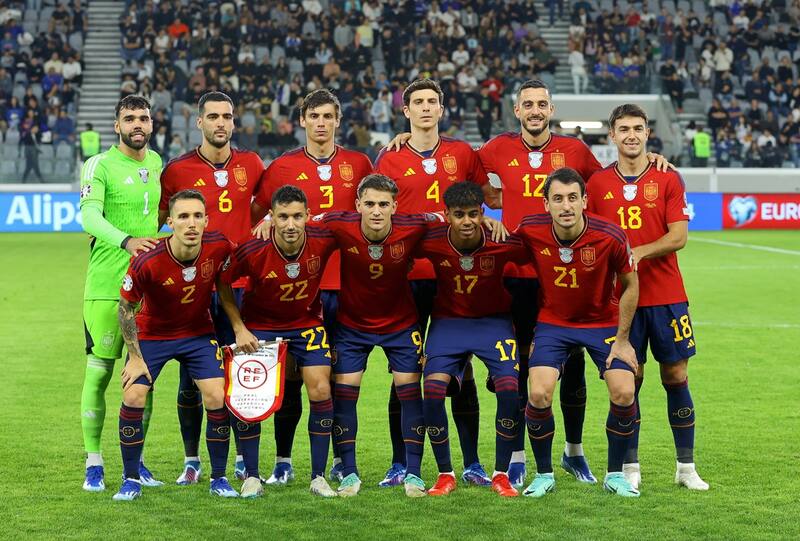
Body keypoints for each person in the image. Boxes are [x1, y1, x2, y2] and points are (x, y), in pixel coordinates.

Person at [375, 78, 494, 488]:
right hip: (405, 279)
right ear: (405, 111)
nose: (425, 108)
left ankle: (473, 462)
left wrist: (492, 218)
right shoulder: (388, 157)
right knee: (405, 374)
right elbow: (374, 210)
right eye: (417, 103)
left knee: (461, 371)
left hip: (453, 278)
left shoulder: (462, 153)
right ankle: (399, 463)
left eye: (432, 102)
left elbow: (488, 199)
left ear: (441, 109)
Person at [251, 89, 373, 485]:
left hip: (348, 286)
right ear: (301, 120)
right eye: (313, 116)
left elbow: (376, 209)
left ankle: (339, 460)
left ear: (339, 120)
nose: (321, 123)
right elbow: (260, 215)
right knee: (288, 379)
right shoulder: (282, 167)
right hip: (301, 289)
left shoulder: (360, 163)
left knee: (336, 379)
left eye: (328, 116)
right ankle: (283, 460)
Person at [586, 104, 708, 491]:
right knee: (628, 381)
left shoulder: (668, 177)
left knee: (676, 375)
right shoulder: (596, 184)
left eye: (638, 128)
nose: (632, 135)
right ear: (612, 136)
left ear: (647, 133)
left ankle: (686, 468)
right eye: (624, 129)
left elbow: (679, 237)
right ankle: (631, 465)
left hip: (667, 295)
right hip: (619, 301)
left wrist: (636, 252)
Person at [113, 190, 256, 500]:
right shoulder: (147, 260)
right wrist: (135, 358)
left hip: (197, 333)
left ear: (206, 220)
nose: (191, 224)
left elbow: (228, 281)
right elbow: (124, 309)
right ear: (170, 222)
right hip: (153, 335)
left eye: (196, 216)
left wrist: (238, 326)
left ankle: (219, 478)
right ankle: (131, 478)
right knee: (134, 393)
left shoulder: (218, 247)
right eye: (183, 217)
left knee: (217, 394)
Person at [159, 91, 266, 485]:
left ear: (233, 123)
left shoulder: (252, 164)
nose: (220, 123)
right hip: (196, 287)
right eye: (213, 116)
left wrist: (261, 223)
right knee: (192, 377)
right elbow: (160, 221)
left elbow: (262, 207)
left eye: (227, 116)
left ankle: (241, 457)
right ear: (199, 122)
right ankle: (192, 459)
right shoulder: (176, 170)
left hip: (240, 286)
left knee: (240, 374)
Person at [515, 167, 640, 498]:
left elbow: (630, 284)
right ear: (546, 204)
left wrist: (624, 339)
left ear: (585, 201)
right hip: (554, 323)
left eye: (573, 198)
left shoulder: (610, 235)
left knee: (624, 391)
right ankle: (544, 474)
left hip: (602, 323)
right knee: (539, 393)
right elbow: (500, 253)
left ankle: (614, 475)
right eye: (557, 199)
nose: (566, 206)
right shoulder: (530, 230)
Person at [219, 185, 339, 498]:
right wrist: (238, 327)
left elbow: (355, 219)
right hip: (259, 328)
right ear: (271, 217)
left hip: (307, 325)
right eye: (283, 216)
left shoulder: (323, 238)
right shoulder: (252, 248)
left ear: (308, 216)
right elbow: (222, 282)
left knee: (321, 389)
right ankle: (252, 476)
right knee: (251, 396)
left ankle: (318, 477)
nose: (290, 224)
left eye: (297, 216)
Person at [416, 182, 527, 498]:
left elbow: (539, 259)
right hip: (448, 325)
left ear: (484, 213)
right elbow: (397, 235)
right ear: (447, 214)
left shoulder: (502, 241)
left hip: (493, 325)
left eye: (474, 214)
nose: (466, 221)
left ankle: (501, 475)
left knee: (509, 389)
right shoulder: (432, 240)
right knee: (434, 392)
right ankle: (444, 474)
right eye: (459, 214)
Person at [78, 95, 163, 492]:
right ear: (117, 126)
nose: (137, 124)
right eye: (129, 118)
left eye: (143, 118)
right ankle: (94, 461)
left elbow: (159, 219)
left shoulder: (157, 162)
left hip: (146, 290)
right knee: (99, 374)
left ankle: (137, 459)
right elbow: (89, 216)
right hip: (105, 287)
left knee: (143, 376)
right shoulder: (99, 164)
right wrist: (127, 241)